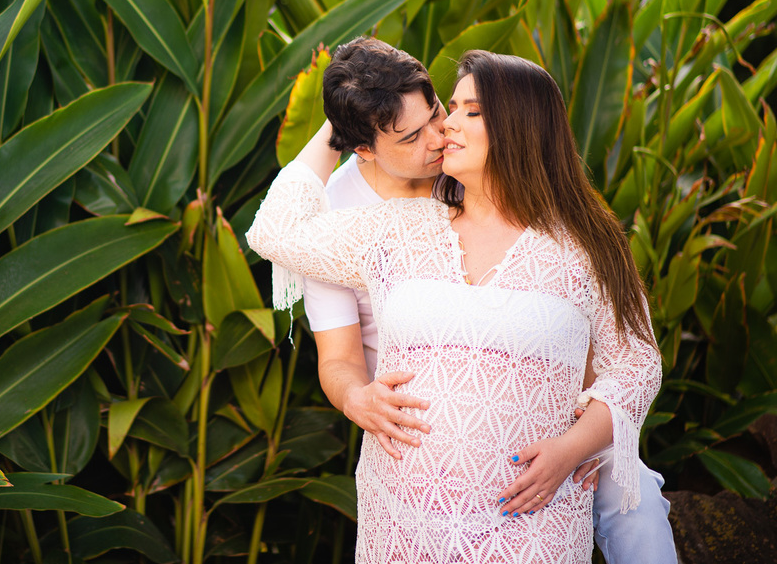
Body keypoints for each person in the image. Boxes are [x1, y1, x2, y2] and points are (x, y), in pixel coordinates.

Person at [247, 50, 663, 563]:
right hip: (405, 519)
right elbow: (274, 233)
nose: (445, 129)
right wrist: (338, 122)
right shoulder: (398, 227)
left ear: (521, 126)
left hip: (534, 519)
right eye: (454, 108)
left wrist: (574, 447)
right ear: (366, 146)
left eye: (467, 110)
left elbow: (637, 362)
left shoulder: (586, 244)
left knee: (636, 503)